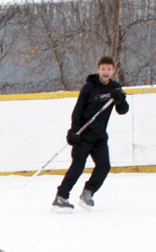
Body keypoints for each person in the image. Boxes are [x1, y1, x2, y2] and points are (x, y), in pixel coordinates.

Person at [52, 56, 130, 212]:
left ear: (113, 70)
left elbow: (123, 110)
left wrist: (120, 100)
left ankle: (88, 193)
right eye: (103, 69)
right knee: (78, 167)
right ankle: (61, 197)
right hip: (84, 136)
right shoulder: (89, 87)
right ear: (98, 70)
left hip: (100, 137)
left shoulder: (114, 88)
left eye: (109, 69)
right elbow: (78, 110)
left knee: (104, 166)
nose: (106, 72)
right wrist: (73, 131)